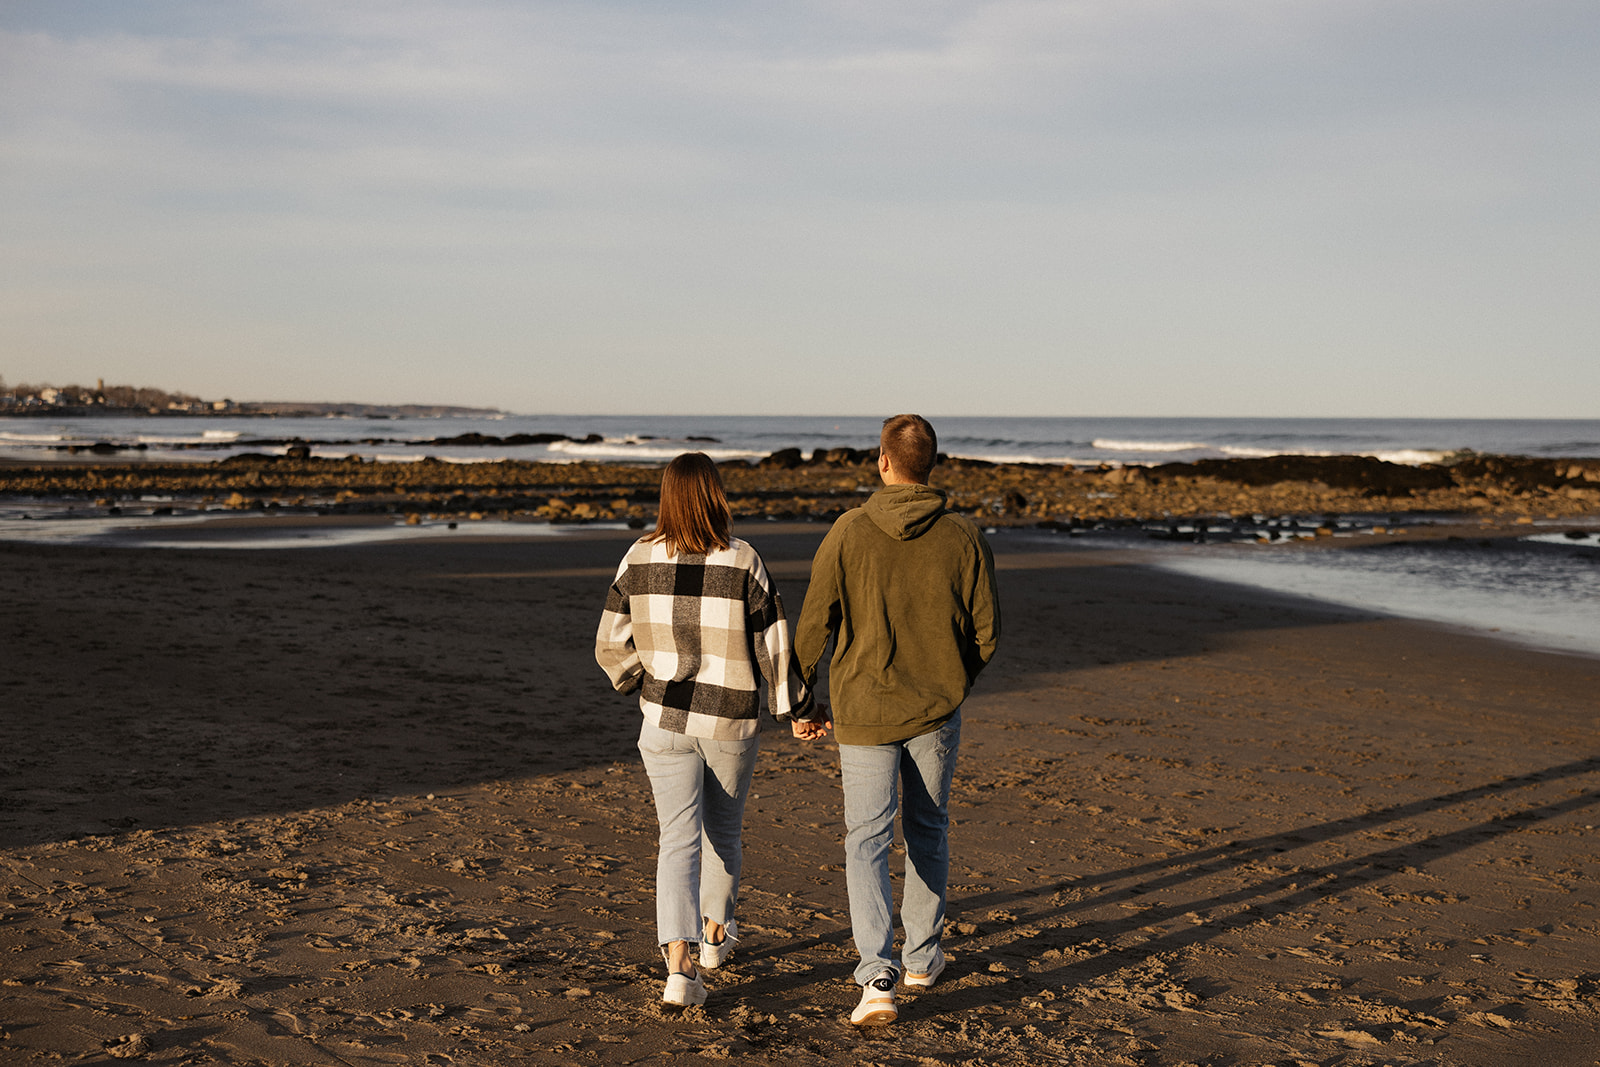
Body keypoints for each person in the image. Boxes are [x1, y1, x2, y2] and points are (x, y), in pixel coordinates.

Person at [793, 414, 1001, 1026]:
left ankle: (877, 976)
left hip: (862, 709)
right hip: (935, 709)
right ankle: (921, 957)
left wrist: (801, 701)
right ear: (931, 464)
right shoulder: (963, 536)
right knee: (927, 830)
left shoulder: (848, 531)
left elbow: (814, 624)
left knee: (867, 840)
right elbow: (986, 634)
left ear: (883, 462)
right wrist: (952, 681)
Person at [595, 452, 813, 1008]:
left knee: (678, 839)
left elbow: (608, 646)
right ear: (716, 495)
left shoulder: (636, 556)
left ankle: (679, 969)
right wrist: (793, 708)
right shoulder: (742, 559)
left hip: (662, 721)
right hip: (728, 723)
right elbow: (774, 642)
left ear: (667, 496)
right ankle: (715, 936)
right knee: (724, 833)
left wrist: (643, 683)